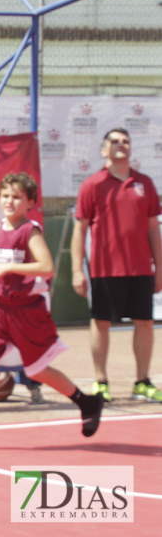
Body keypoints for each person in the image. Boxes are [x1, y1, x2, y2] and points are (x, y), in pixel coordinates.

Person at [0, 173, 104, 451]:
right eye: (5, 195)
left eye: (16, 197)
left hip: (25, 312)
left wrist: (12, 268)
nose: (9, 201)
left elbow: (46, 267)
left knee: (37, 369)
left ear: (30, 203)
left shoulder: (30, 232)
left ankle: (86, 402)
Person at [71, 127, 162, 403]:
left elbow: (153, 231)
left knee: (145, 323)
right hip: (104, 270)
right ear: (104, 150)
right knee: (101, 324)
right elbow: (80, 230)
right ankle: (101, 382)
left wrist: (159, 268)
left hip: (141, 270)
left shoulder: (144, 183)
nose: (121, 144)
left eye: (126, 141)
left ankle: (142, 382)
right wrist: (77, 270)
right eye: (114, 141)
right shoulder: (92, 184)